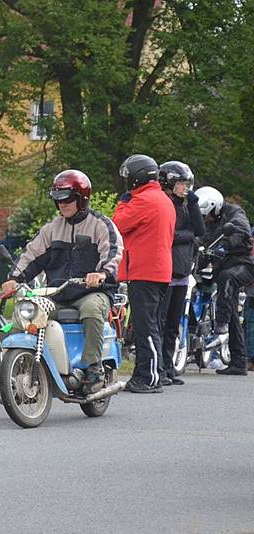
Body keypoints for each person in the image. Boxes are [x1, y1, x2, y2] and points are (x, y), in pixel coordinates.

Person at [1, 170, 124, 394]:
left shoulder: (100, 225)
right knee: (26, 312)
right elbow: (31, 255)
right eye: (58, 200)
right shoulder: (51, 229)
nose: (63, 204)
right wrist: (14, 278)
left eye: (67, 199)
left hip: (91, 291)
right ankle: (16, 369)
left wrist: (102, 273)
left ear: (82, 198)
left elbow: (113, 252)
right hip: (58, 293)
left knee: (92, 309)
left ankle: (93, 367)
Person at [113, 154, 175, 393]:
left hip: (145, 271)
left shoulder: (144, 201)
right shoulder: (160, 198)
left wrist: (124, 200)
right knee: (150, 326)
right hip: (156, 271)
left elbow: (117, 223)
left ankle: (148, 378)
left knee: (145, 327)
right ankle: (151, 373)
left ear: (138, 177)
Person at [195, 186, 254, 376]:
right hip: (223, 265)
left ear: (216, 206)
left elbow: (241, 229)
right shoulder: (207, 221)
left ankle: (220, 326)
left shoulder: (234, 212)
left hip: (243, 264)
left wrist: (226, 245)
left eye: (209, 215)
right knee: (233, 312)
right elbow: (200, 239)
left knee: (226, 279)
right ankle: (238, 361)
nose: (207, 219)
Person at [156, 161, 205, 385]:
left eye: (187, 183)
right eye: (181, 183)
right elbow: (172, 235)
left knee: (173, 324)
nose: (185, 187)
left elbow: (200, 231)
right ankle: (158, 368)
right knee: (161, 322)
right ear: (169, 183)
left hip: (182, 273)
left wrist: (193, 203)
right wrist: (188, 235)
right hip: (166, 273)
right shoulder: (164, 205)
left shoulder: (185, 205)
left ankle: (168, 367)